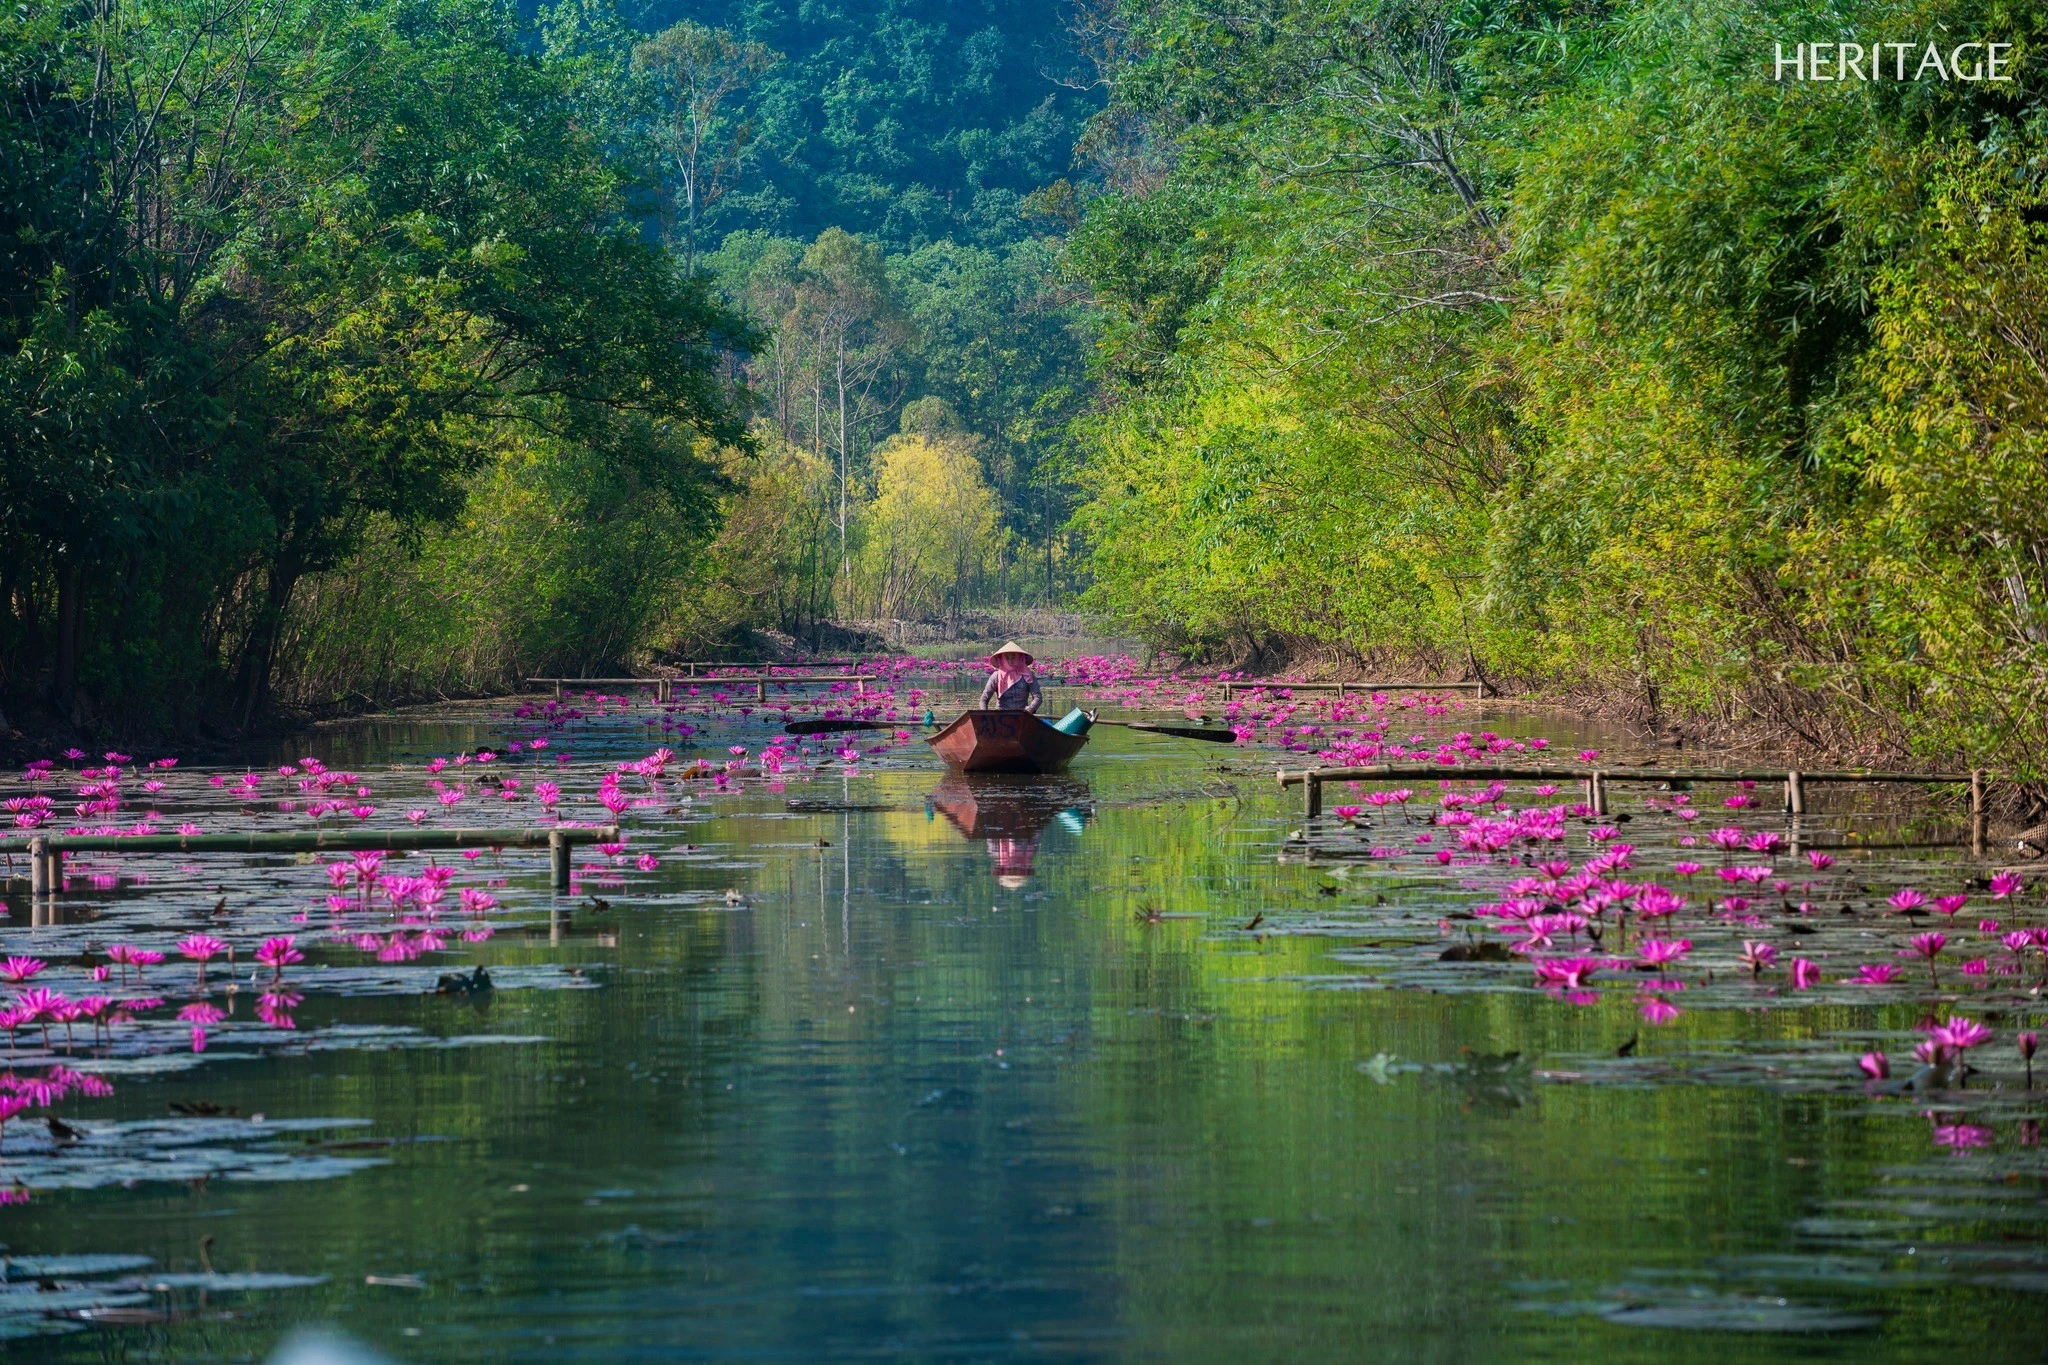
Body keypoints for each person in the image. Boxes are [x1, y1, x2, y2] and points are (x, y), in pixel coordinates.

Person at [977, 641, 1042, 713]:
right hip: (1000, 716)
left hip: (1023, 716)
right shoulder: (996, 676)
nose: (1010, 661)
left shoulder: (1028, 675)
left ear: (1019, 657)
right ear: (1002, 659)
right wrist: (984, 715)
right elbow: (984, 699)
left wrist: (1031, 708)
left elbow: (1038, 697)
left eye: (1013, 657)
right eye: (1007, 658)